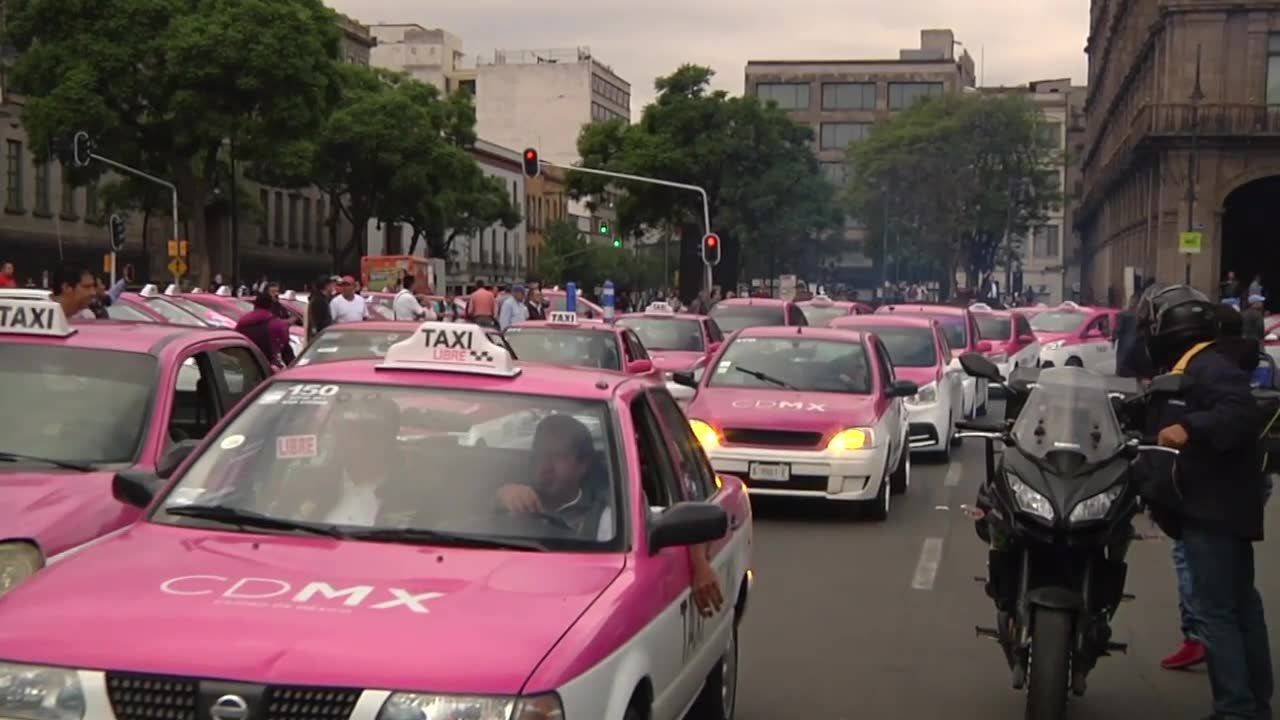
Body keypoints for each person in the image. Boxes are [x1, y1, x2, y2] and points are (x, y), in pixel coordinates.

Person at [1144, 291, 1272, 718]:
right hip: (1223, 507)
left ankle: (1235, 709)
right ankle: (1254, 704)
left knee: (1217, 613)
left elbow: (1239, 414)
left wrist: (1190, 427)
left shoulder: (1208, 367)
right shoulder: (1192, 368)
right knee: (1240, 606)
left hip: (1214, 511)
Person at [236, 292, 291, 369]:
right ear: (270, 306)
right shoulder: (277, 324)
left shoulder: (242, 322)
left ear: (255, 305)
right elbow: (286, 351)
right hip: (269, 366)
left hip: (245, 364)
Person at [307, 275, 336, 341]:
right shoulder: (319, 301)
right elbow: (320, 321)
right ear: (326, 286)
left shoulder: (324, 299)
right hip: (321, 336)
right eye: (331, 285)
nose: (333, 287)